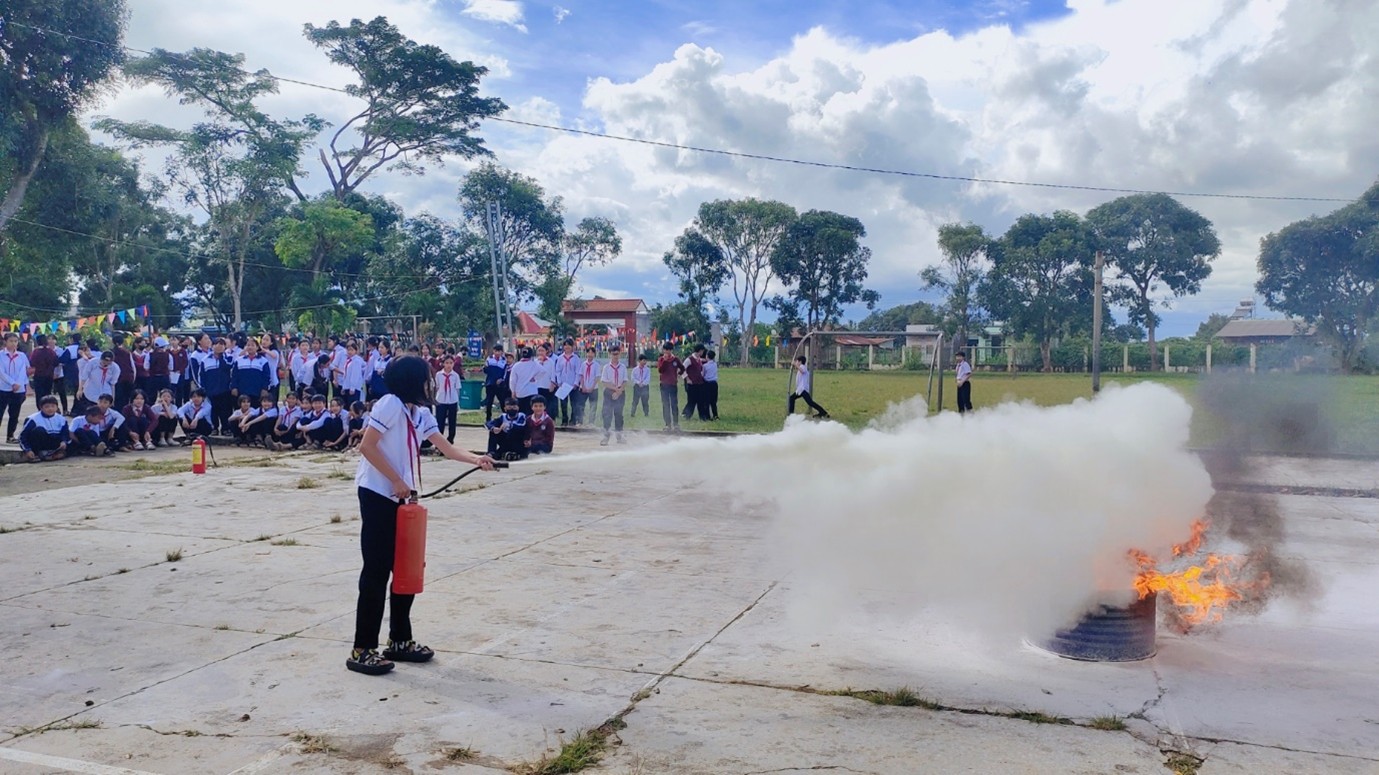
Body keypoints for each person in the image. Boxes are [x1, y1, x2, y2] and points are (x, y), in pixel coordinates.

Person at [348, 355, 495, 675]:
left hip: (404, 499)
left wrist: (477, 459)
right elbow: (367, 447)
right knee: (376, 570)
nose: (430, 385)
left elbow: (448, 448)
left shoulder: (421, 412)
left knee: (407, 569)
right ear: (410, 382)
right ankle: (363, 649)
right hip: (377, 495)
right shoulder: (389, 404)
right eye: (426, 379)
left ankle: (400, 640)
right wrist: (397, 480)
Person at [0, 332, 32, 443]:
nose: (13, 343)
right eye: (11, 341)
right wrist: (12, 383)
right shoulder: (1, 355)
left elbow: (24, 370)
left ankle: (10, 436)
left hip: (18, 389)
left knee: (14, 414)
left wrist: (18, 384)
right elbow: (1, 373)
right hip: (3, 388)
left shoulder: (22, 356)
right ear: (5, 342)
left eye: (15, 341)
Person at [19, 395, 69, 462]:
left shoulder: (61, 419)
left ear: (57, 407)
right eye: (47, 407)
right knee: (39, 430)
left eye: (53, 406)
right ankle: (38, 454)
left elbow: (65, 433)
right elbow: (22, 436)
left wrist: (64, 441)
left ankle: (52, 454)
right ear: (41, 408)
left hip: (55, 444)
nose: (50, 409)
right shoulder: (33, 419)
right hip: (40, 443)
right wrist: (27, 450)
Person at [599, 346, 628, 446]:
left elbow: (625, 381)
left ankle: (619, 436)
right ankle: (606, 436)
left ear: (620, 354)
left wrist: (619, 391)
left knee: (619, 414)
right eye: (613, 354)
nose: (615, 356)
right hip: (609, 392)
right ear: (610, 354)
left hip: (620, 391)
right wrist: (615, 390)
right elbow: (604, 382)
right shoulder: (606, 367)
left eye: (617, 354)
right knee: (607, 414)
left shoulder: (623, 367)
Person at [788, 355, 829, 419]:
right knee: (792, 398)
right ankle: (791, 414)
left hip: (803, 389)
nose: (796, 362)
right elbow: (799, 371)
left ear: (800, 362)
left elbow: (802, 370)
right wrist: (794, 366)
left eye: (797, 361)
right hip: (800, 390)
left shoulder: (803, 367)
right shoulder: (801, 367)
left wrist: (795, 364)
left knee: (810, 402)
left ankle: (823, 412)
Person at [507, 347, 543, 416]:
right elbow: (543, 371)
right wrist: (535, 378)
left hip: (520, 392)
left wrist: (513, 391)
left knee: (521, 413)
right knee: (531, 412)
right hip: (532, 391)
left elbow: (512, 380)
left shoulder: (516, 365)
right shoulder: (534, 364)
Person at [433, 355, 460, 444]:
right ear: (443, 364)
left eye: (451, 363)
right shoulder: (439, 375)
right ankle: (439, 443)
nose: (449, 365)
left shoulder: (455, 375)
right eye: (447, 363)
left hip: (452, 400)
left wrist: (458, 403)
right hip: (441, 400)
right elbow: (436, 387)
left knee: (452, 422)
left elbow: (457, 389)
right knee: (440, 422)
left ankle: (450, 440)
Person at [28, 334, 59, 414]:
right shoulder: (51, 351)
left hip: (38, 375)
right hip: (49, 376)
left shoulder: (36, 352)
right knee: (47, 393)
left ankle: (40, 409)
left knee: (39, 394)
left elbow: (31, 363)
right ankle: (48, 408)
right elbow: (56, 362)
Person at [656, 343, 683, 432]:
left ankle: (676, 424)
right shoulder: (661, 359)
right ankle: (668, 424)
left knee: (674, 405)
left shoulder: (675, 359)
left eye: (670, 350)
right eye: (666, 350)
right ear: (664, 350)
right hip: (664, 385)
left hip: (673, 384)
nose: (668, 352)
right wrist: (665, 360)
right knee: (666, 405)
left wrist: (678, 374)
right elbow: (660, 370)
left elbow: (682, 368)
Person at [553, 339, 580, 427]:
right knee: (563, 404)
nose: (567, 347)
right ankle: (565, 420)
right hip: (563, 384)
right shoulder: (560, 358)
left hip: (573, 385)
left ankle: (573, 420)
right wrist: (559, 382)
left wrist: (576, 383)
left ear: (573, 347)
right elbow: (557, 371)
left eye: (569, 345)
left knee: (574, 404)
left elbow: (578, 372)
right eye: (565, 345)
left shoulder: (576, 358)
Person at [110, 333, 137, 410]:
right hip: (128, 378)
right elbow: (133, 367)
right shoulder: (127, 353)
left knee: (117, 399)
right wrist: (133, 379)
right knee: (126, 399)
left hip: (116, 379)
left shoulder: (111, 352)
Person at [682, 344, 709, 422]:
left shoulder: (699, 359)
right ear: (700, 351)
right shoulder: (689, 359)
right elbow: (682, 369)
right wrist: (687, 378)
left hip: (699, 382)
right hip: (692, 383)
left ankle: (702, 416)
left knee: (701, 400)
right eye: (702, 351)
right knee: (692, 400)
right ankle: (687, 415)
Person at [574, 347, 599, 426]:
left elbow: (597, 377)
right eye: (588, 353)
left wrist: (592, 387)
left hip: (593, 388)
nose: (590, 354)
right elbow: (581, 376)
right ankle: (579, 421)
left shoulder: (596, 365)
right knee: (580, 405)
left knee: (593, 405)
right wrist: (583, 386)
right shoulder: (583, 364)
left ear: (594, 354)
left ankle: (591, 422)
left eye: (592, 353)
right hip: (583, 388)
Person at [481, 345, 507, 423]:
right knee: (489, 402)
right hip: (490, 384)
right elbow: (486, 371)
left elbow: (505, 373)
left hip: (500, 385)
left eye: (499, 351)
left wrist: (502, 379)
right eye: (496, 351)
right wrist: (485, 368)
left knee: (502, 401)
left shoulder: (504, 361)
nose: (497, 353)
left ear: (502, 352)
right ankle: (488, 419)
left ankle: (506, 418)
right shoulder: (489, 359)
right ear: (493, 351)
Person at [955, 350, 974, 414]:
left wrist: (962, 382)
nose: (958, 358)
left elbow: (968, 374)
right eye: (957, 356)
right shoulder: (958, 365)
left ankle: (970, 412)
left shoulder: (965, 364)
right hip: (959, 384)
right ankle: (961, 413)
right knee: (959, 400)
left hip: (965, 383)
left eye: (959, 356)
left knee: (965, 399)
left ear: (963, 357)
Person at [703, 349, 720, 421]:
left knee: (706, 401)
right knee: (713, 401)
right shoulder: (715, 364)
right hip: (714, 383)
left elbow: (703, 374)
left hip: (707, 383)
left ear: (707, 356)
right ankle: (715, 415)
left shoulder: (705, 366)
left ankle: (707, 416)